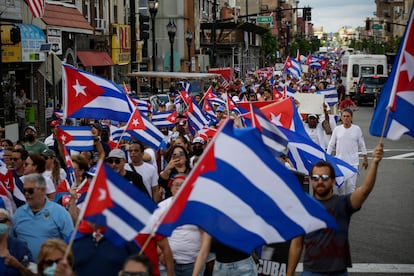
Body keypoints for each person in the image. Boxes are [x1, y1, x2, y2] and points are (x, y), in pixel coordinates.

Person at [287, 143, 384, 276]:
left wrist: (375, 163)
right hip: (311, 272)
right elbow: (296, 245)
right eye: (315, 178)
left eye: (325, 177)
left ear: (333, 181)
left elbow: (364, 191)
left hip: (338, 273)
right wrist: (289, 273)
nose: (320, 181)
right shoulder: (304, 208)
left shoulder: (343, 204)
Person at [11, 173, 74, 261]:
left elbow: (71, 242)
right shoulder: (19, 213)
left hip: (50, 269)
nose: (26, 194)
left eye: (30, 191)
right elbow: (11, 240)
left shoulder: (60, 213)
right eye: (24, 190)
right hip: (24, 269)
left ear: (43, 190)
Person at [157, 174, 202, 276]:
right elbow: (154, 233)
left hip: (193, 262)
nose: (178, 188)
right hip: (167, 263)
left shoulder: (198, 208)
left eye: (182, 185)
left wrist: (201, 256)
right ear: (171, 188)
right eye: (176, 185)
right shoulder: (161, 207)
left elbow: (205, 235)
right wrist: (160, 253)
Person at [327, 108, 368, 194]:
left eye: (348, 116)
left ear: (351, 118)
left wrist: (365, 158)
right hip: (339, 163)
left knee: (351, 187)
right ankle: (342, 204)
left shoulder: (357, 129)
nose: (346, 118)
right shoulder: (337, 129)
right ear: (341, 118)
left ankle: (349, 205)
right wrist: (327, 157)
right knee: (340, 187)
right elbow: (331, 144)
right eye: (344, 116)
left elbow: (362, 144)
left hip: (353, 163)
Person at [0, 208, 34, 276]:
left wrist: (17, 265)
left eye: (1, 221)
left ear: (10, 223)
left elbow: (31, 273)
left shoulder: (20, 246)